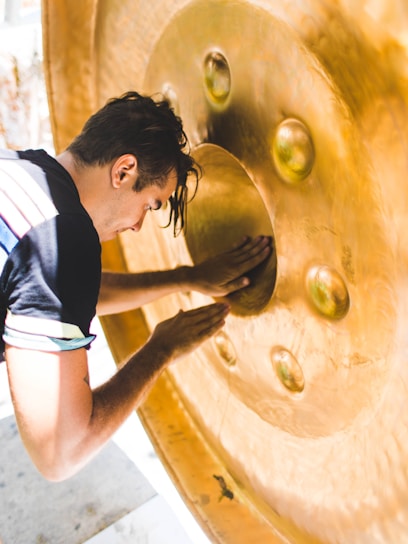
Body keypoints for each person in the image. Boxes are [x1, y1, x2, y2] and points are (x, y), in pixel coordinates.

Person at [0, 91, 272, 481]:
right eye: (150, 204)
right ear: (124, 171)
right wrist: (161, 349)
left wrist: (185, 278)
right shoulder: (62, 238)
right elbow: (60, 451)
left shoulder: (18, 169)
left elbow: (43, 295)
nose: (137, 226)